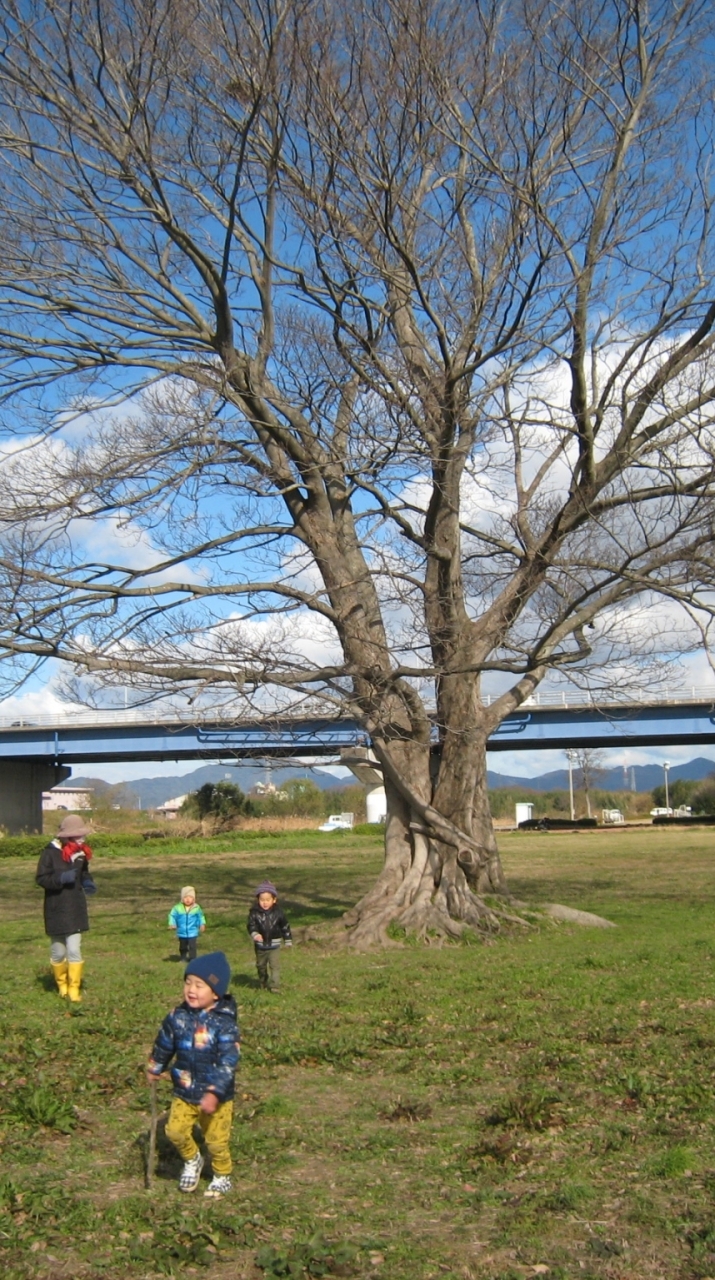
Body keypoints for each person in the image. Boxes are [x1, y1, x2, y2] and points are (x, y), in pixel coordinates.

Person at [147, 951, 239, 1199]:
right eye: (188, 982)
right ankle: (192, 1159)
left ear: (216, 993)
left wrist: (214, 1091)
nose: (191, 989)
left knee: (217, 1142)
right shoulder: (177, 1017)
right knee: (174, 1131)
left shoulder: (225, 1024)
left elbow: (229, 1061)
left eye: (200, 985)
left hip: (216, 1098)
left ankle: (222, 1176)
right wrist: (156, 1066)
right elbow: (164, 1043)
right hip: (185, 1089)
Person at [36, 813, 97, 1003]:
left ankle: (73, 988)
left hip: (75, 908)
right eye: (78, 836)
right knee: (59, 952)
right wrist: (61, 879)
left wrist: (87, 881)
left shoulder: (80, 854)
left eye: (82, 835)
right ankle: (61, 984)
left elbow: (84, 872)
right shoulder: (49, 853)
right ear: (66, 836)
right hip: (55, 908)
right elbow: (41, 878)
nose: (82, 839)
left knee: (74, 949)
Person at [247, 880, 292, 993]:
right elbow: (251, 925)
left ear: (274, 900)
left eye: (268, 900)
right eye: (262, 900)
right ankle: (263, 980)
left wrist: (287, 939)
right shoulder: (254, 913)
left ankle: (274, 986)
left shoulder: (279, 913)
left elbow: (285, 926)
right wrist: (255, 934)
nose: (265, 903)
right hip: (260, 946)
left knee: (274, 966)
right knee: (261, 966)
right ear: (258, 900)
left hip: (274, 944)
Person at [168, 885, 206, 961]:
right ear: (182, 899)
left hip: (192, 932)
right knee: (183, 946)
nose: (188, 899)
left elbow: (200, 917)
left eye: (190, 897)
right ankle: (183, 957)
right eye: (185, 897)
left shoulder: (196, 908)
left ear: (194, 899)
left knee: (192, 946)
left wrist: (202, 924)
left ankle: (193, 958)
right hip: (182, 932)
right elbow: (172, 915)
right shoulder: (178, 908)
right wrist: (172, 924)